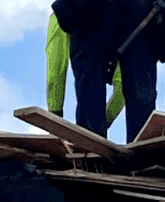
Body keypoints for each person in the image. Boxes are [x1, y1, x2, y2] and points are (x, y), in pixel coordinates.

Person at [54, 0, 158, 141]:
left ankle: (91, 145)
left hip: (92, 9)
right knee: (140, 82)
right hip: (140, 8)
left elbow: (56, 67)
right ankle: (143, 147)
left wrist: (55, 111)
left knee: (90, 78)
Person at [45, 12, 124, 131]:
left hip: (69, 14)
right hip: (109, 18)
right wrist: (103, 121)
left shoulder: (60, 12)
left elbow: (56, 67)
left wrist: (55, 116)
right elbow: (124, 86)